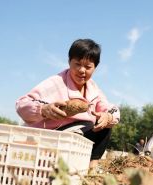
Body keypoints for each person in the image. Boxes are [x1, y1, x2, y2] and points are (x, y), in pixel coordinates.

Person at [16, 39, 120, 172]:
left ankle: (91, 169)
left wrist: (108, 116)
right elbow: (22, 104)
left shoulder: (93, 88)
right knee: (89, 124)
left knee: (103, 123)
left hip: (74, 139)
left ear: (95, 68)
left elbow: (111, 108)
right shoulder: (55, 83)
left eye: (88, 67)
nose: (82, 70)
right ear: (69, 62)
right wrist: (43, 110)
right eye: (77, 64)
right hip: (46, 141)